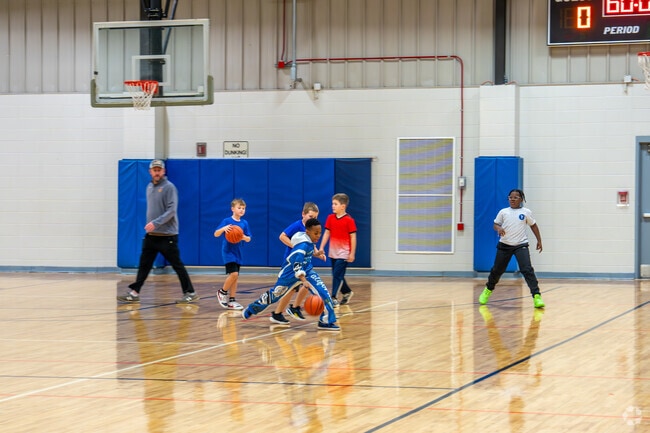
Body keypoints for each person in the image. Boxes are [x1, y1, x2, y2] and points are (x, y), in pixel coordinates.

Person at [117, 159, 199, 304]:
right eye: (154, 170)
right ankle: (134, 292)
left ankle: (190, 292)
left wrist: (155, 223)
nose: (156, 172)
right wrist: (152, 226)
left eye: (159, 170)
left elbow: (171, 211)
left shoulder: (169, 187)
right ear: (150, 172)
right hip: (151, 236)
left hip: (167, 236)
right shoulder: (149, 187)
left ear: (163, 171)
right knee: (144, 265)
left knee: (177, 265)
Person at [242, 218, 340, 332]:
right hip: (290, 273)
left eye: (320, 233)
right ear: (307, 232)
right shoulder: (302, 245)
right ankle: (251, 309)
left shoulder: (309, 241)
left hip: (307, 270)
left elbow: (309, 252)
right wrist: (303, 280)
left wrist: (317, 253)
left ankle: (326, 321)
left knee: (323, 292)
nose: (318, 236)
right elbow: (297, 264)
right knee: (274, 296)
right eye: (316, 233)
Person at [478, 189, 545, 309]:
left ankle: (536, 296)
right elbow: (495, 224)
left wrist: (539, 240)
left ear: (521, 199)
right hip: (504, 245)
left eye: (515, 197)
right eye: (510, 197)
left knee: (527, 269)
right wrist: (498, 228)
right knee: (497, 270)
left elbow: (533, 225)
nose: (512, 199)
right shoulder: (503, 212)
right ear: (508, 199)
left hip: (521, 245)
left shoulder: (526, 212)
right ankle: (487, 290)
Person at [271, 202, 324, 325]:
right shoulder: (297, 225)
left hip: (304, 262)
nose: (313, 219)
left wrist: (317, 253)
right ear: (303, 214)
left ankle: (289, 309)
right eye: (311, 217)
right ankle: (281, 312)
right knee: (290, 289)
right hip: (292, 262)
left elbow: (311, 245)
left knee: (303, 286)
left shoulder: (311, 229)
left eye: (315, 217)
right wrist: (294, 246)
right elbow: (282, 236)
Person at [318, 193, 357, 306]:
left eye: (335, 204)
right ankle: (347, 292)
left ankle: (333, 297)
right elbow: (327, 233)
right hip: (333, 252)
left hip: (344, 253)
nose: (333, 206)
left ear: (343, 206)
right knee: (337, 275)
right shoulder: (330, 218)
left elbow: (353, 237)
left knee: (337, 275)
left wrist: (352, 253)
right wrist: (321, 247)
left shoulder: (349, 220)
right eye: (332, 204)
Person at [214, 198, 251, 310]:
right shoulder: (226, 221)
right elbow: (216, 234)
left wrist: (244, 237)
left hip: (238, 252)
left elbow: (249, 238)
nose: (241, 210)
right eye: (239, 208)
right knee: (234, 274)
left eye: (243, 208)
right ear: (232, 209)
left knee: (235, 277)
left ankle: (232, 300)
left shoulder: (244, 223)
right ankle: (222, 292)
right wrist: (224, 229)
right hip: (228, 252)